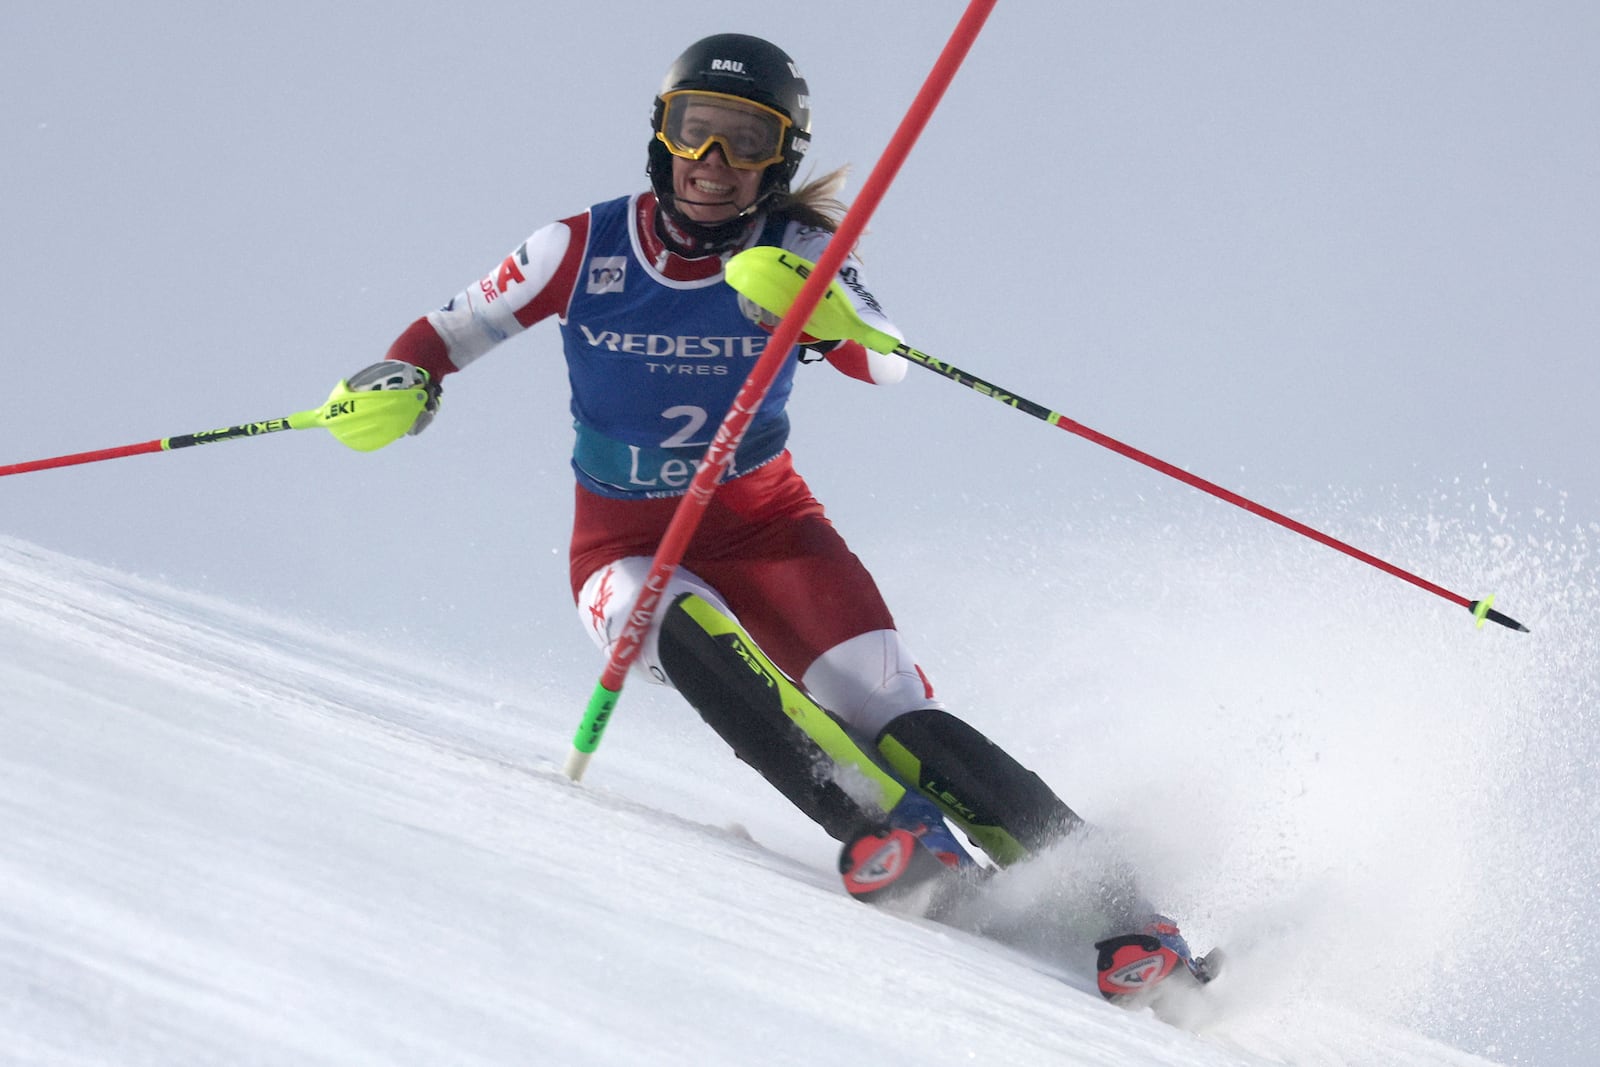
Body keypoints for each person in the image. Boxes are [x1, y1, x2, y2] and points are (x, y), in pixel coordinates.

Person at [341, 33, 1209, 998]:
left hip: (769, 527)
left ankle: (1129, 916)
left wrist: (820, 304)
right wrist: (404, 379)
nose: (711, 165)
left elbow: (887, 360)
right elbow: (450, 330)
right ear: (660, 137)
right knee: (667, 624)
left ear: (780, 158)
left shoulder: (797, 250)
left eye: (744, 143)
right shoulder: (579, 246)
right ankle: (890, 829)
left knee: (886, 711)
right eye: (693, 133)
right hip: (623, 539)